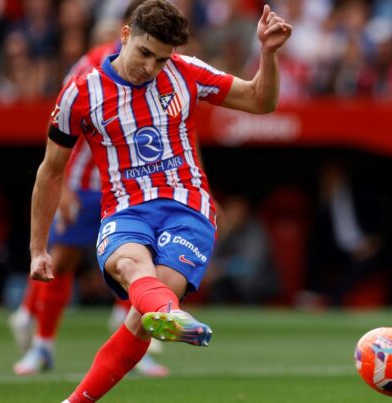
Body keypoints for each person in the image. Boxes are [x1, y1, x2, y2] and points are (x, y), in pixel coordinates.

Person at [28, 1, 291, 401]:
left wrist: (268, 54)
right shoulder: (81, 92)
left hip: (188, 209)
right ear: (125, 36)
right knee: (134, 269)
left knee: (145, 309)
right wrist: (38, 248)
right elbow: (50, 170)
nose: (150, 67)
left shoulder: (186, 73)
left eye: (161, 59)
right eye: (145, 54)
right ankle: (166, 313)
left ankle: (150, 324)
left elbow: (260, 101)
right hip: (124, 209)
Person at [8, 0, 168, 378]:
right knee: (62, 260)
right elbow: (64, 119)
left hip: (132, 185)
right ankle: (42, 346)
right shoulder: (92, 64)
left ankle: (135, 345)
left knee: (142, 262)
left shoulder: (163, 68)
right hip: (84, 183)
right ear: (128, 30)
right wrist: (60, 186)